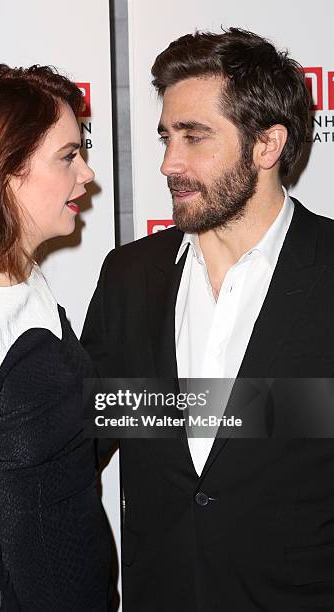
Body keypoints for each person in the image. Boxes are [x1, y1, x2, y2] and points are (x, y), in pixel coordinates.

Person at [82, 28, 334, 611]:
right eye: (167, 136)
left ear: (267, 146)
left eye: (195, 137)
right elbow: (83, 442)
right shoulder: (129, 276)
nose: (170, 162)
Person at [0, 64, 112, 611]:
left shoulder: (29, 285)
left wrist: (247, 410)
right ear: (5, 170)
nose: (87, 176)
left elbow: (84, 425)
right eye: (68, 157)